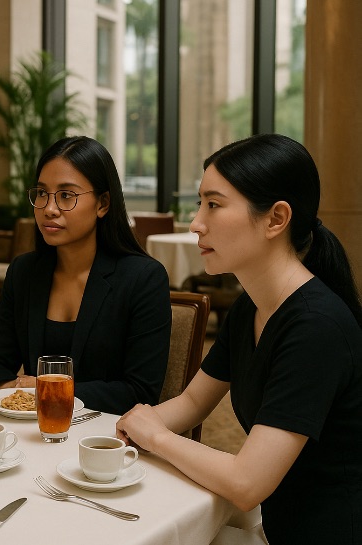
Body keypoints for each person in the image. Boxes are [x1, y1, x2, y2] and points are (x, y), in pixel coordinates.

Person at [115, 134, 362, 544]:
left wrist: (155, 436)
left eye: (213, 204)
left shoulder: (316, 326)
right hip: (280, 525)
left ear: (276, 219)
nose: (196, 223)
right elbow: (193, 402)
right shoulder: (251, 306)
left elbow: (248, 484)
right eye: (200, 204)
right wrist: (130, 429)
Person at [0, 136, 171, 414]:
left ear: (103, 203)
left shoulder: (143, 279)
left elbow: (140, 391)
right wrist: (19, 391)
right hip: (31, 428)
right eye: (42, 193)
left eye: (66, 195)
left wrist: (48, 390)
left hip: (106, 433)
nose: (49, 209)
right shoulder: (24, 271)